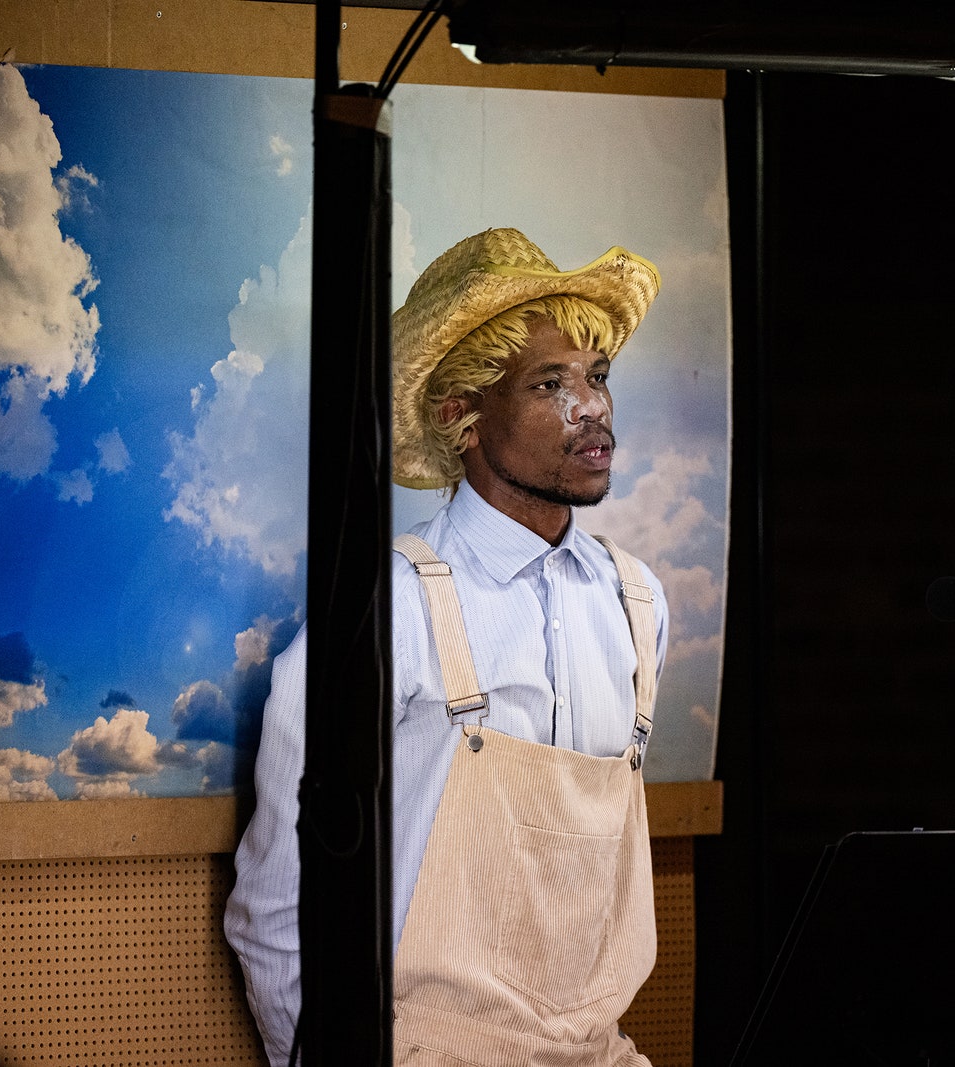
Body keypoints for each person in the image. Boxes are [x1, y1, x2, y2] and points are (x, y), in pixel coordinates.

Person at [225, 227, 670, 1067]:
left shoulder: (639, 603)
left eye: (599, 377)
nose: (594, 409)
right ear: (459, 414)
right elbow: (278, 908)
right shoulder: (388, 611)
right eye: (550, 383)